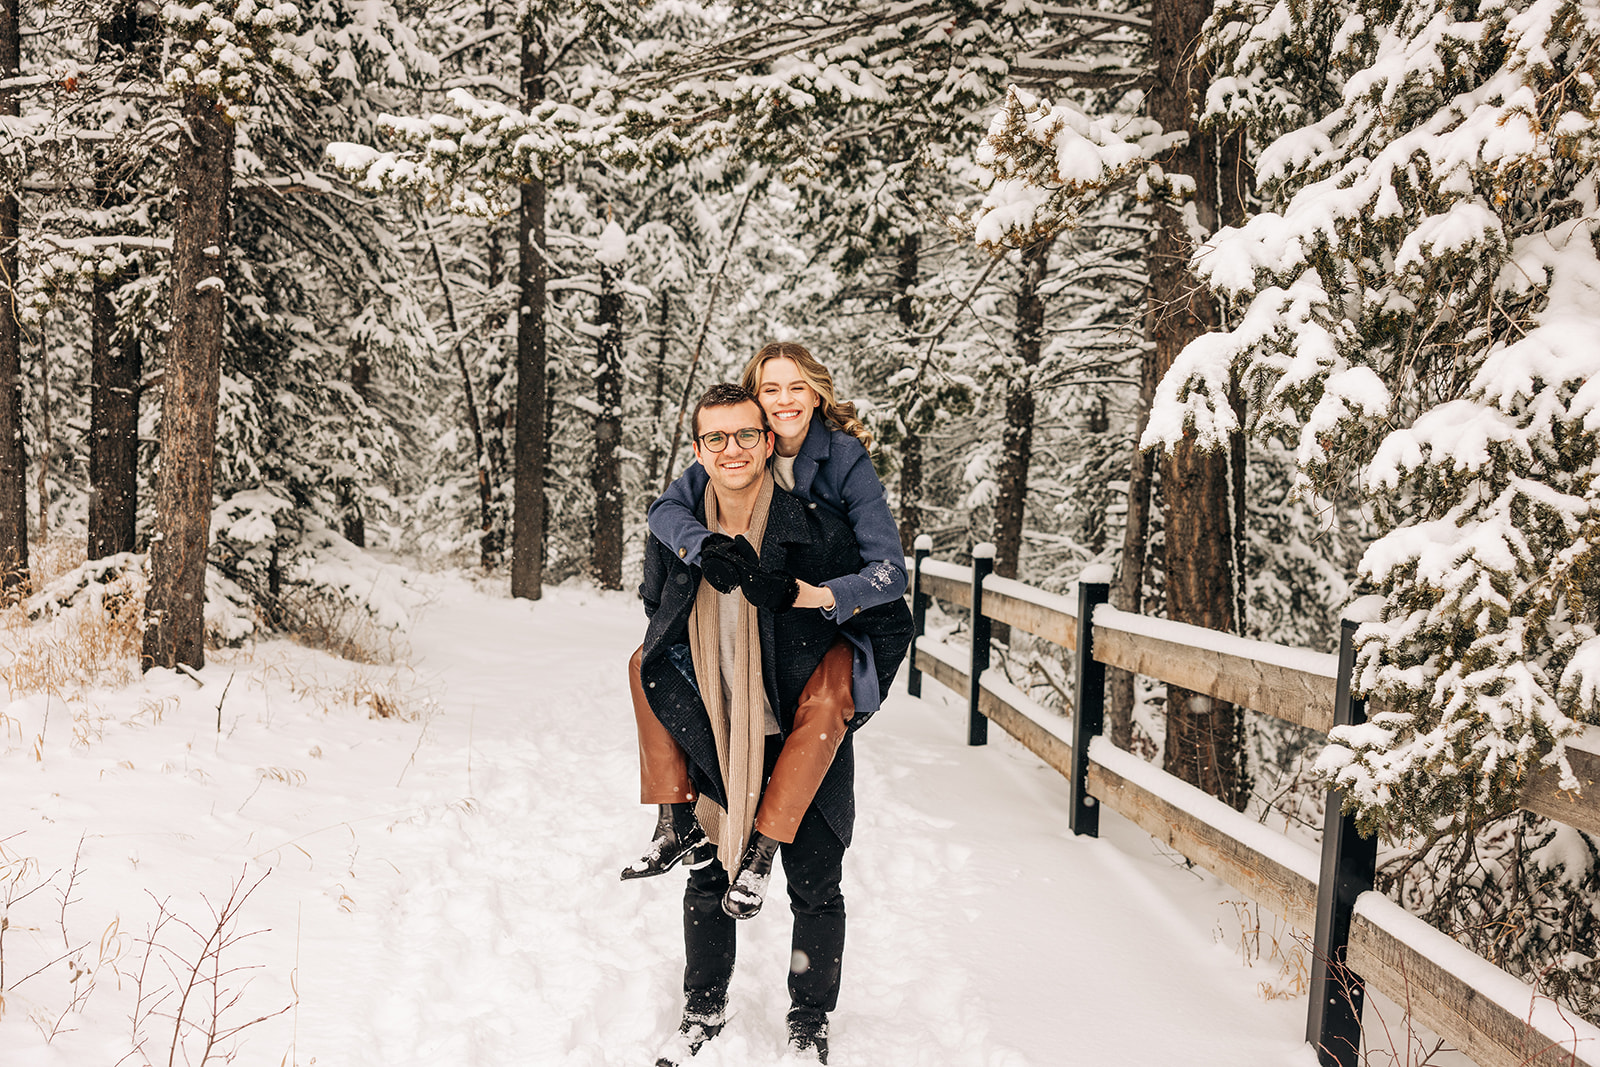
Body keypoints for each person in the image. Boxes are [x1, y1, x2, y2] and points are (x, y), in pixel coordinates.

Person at [634, 383, 912, 1065]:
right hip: (717, 718)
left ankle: (810, 1020)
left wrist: (823, 655)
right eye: (716, 438)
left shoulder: (815, 524)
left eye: (746, 435)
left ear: (767, 440)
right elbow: (656, 611)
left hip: (801, 727)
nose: (733, 449)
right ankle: (703, 1006)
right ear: (697, 450)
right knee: (707, 874)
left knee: (814, 884)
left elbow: (886, 606)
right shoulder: (678, 527)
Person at [622, 342, 908, 885]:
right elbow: (665, 509)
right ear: (755, 400)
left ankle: (765, 846)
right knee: (646, 661)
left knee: (824, 701)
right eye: (770, 389)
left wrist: (817, 595)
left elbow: (890, 572)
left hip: (829, 615)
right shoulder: (738, 442)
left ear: (816, 392)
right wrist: (704, 547)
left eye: (797, 386)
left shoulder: (843, 458)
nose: (784, 400)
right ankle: (673, 817)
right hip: (758, 619)